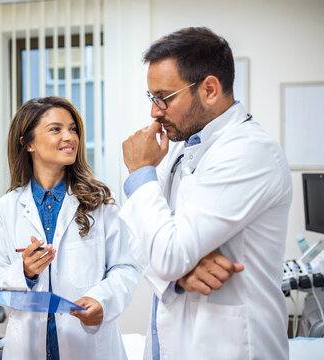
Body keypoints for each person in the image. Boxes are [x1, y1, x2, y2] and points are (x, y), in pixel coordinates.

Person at [120, 27, 292, 359]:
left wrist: (140, 172)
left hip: (229, 346)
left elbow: (166, 253)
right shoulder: (181, 150)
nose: (155, 111)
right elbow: (142, 240)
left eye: (164, 97)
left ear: (209, 89)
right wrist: (179, 276)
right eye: (151, 98)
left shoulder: (249, 152)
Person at [0, 96, 139, 360]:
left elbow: (125, 267)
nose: (70, 137)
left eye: (73, 129)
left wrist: (103, 300)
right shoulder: (6, 208)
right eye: (56, 129)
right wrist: (24, 271)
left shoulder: (98, 201)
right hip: (29, 347)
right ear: (28, 142)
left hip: (86, 344)